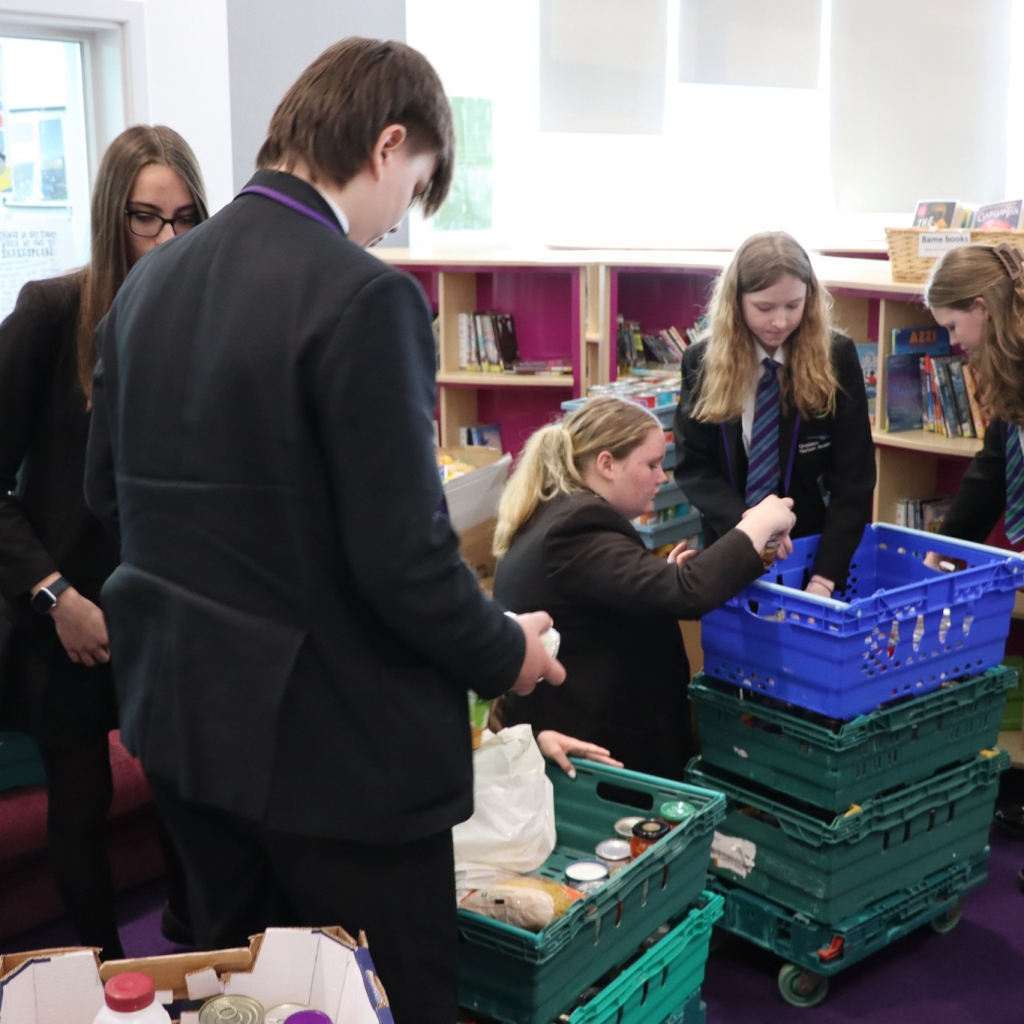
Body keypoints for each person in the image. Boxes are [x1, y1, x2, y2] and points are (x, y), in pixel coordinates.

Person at [83, 38, 564, 1022]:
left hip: (182, 726)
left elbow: (109, 500)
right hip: (336, 759)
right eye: (416, 186)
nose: (402, 218)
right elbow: (405, 565)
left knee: (240, 998)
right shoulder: (362, 294)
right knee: (380, 998)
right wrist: (506, 649)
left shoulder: (147, 287)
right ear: (389, 145)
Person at [0, 124, 208, 960]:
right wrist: (54, 594)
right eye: (145, 218)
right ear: (109, 217)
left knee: (191, 799)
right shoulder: (51, 311)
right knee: (80, 802)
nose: (166, 238)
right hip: (67, 616)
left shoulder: (206, 320)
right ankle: (102, 979)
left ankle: (197, 955)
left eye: (186, 218)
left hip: (168, 615)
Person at [490, 395, 796, 782]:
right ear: (607, 464)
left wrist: (656, 580)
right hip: (597, 752)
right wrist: (760, 521)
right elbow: (688, 591)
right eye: (651, 464)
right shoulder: (576, 528)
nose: (662, 477)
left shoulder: (556, 514)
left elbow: (602, 601)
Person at [674, 231, 876, 596]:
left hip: (812, 548)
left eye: (793, 306)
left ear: (809, 300)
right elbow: (695, 467)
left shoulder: (837, 357)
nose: (780, 322)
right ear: (736, 302)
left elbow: (854, 479)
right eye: (765, 308)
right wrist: (750, 526)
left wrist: (825, 577)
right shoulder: (701, 361)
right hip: (731, 542)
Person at [923, 240, 1024, 893]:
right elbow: (992, 467)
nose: (953, 342)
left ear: (983, 309)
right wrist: (944, 544)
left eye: (954, 327)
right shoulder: (1006, 369)